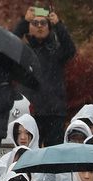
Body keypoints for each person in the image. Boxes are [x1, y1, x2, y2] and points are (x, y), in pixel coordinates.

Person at [13, 6, 76, 147]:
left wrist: (59, 25)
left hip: (54, 112)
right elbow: (8, 45)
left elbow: (70, 49)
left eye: (43, 23)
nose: (40, 26)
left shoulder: (56, 51)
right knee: (27, 154)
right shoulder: (23, 52)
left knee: (54, 156)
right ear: (29, 27)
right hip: (29, 112)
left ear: (49, 27)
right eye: (35, 23)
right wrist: (23, 22)